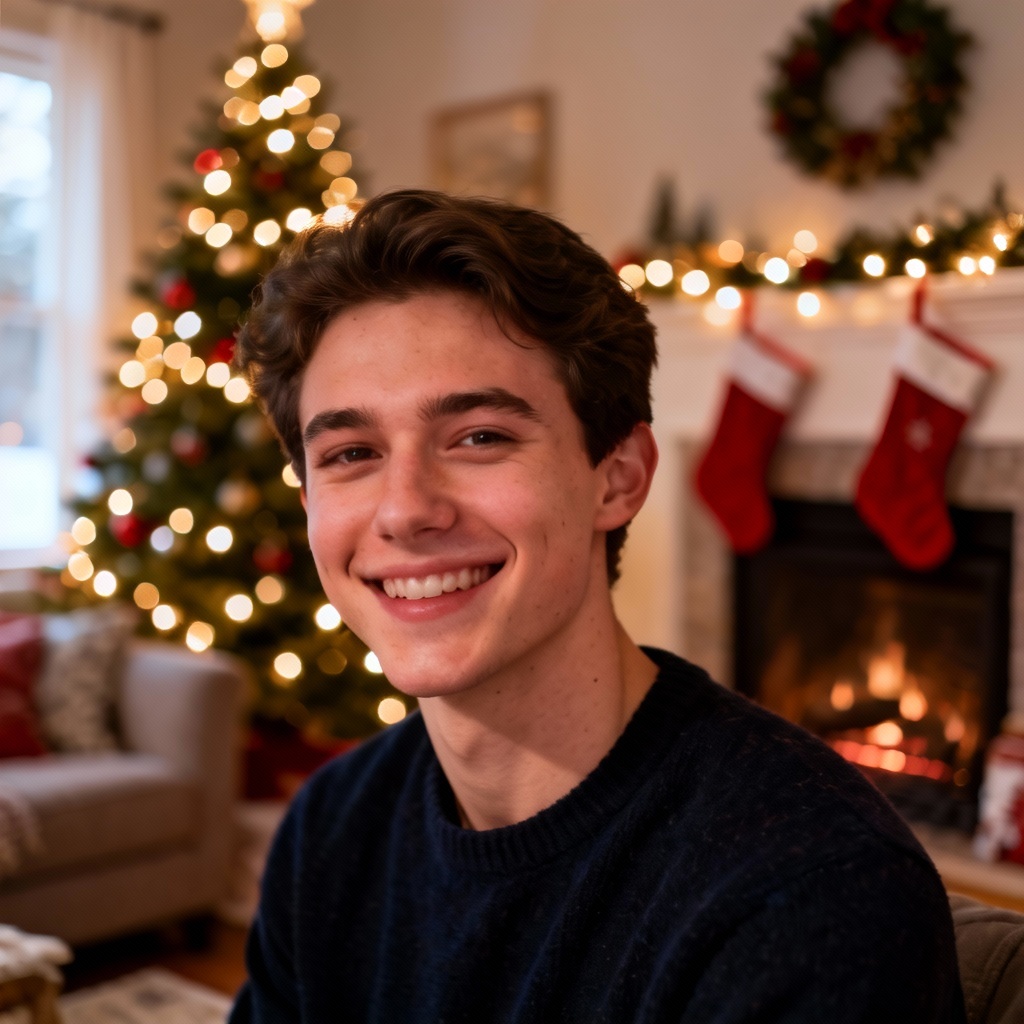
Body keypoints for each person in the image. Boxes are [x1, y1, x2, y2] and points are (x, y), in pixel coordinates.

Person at [229, 189, 966, 1023]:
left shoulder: (813, 890)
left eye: (479, 437)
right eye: (351, 453)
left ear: (617, 478)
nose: (404, 510)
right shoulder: (330, 830)